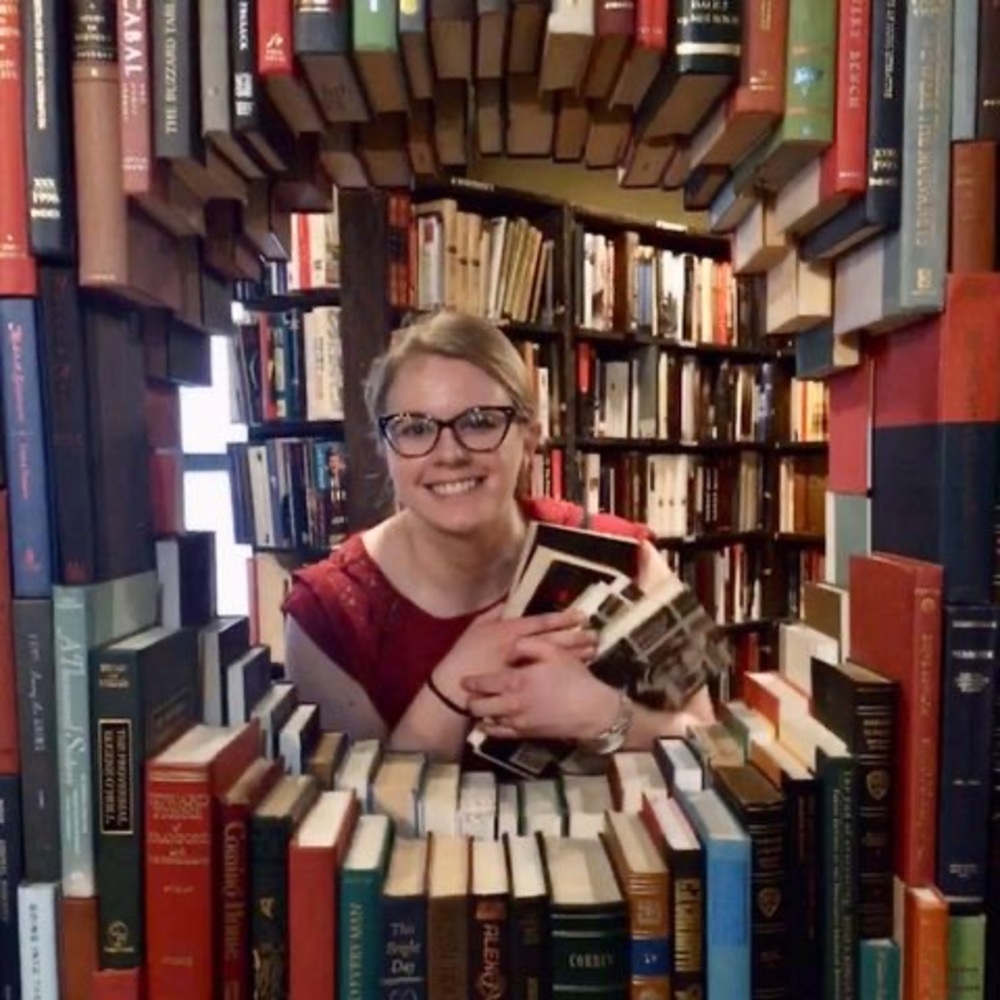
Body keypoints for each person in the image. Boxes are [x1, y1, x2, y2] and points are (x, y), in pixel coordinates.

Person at [282, 311, 717, 762]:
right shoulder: (324, 615)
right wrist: (451, 686)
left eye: (479, 422)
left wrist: (600, 715)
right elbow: (358, 801)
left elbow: (712, 745)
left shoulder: (630, 556)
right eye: (414, 428)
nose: (450, 453)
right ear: (383, 448)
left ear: (530, 437)